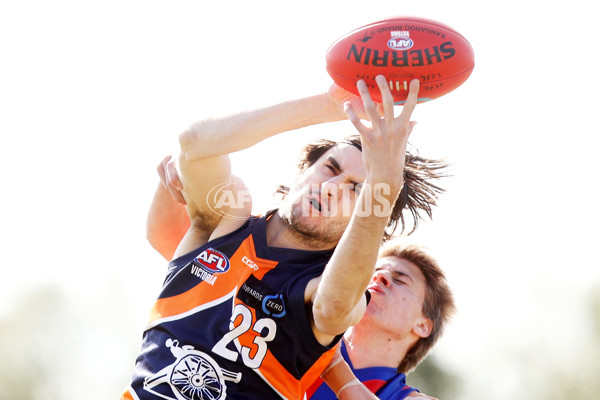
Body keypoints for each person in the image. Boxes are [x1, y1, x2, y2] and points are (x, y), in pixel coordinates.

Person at [123, 76, 447, 400]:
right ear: (303, 171)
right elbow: (195, 145)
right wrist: (327, 105)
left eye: (356, 190)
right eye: (330, 169)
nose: (331, 187)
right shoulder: (228, 218)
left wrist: (384, 186)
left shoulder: (328, 288)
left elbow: (333, 305)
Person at [147, 162, 454, 400]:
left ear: (423, 325)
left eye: (400, 280)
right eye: (375, 271)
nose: (382, 277)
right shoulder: (292, 321)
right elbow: (170, 242)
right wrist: (178, 173)